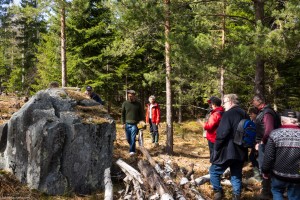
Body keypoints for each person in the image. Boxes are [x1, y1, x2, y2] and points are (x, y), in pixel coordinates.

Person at [210, 94, 249, 200]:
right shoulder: (244, 113)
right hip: (241, 150)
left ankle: (218, 192)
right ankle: (236, 196)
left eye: (225, 102)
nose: (223, 105)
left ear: (231, 102)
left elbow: (222, 133)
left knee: (214, 171)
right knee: (236, 173)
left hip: (227, 150)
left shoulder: (228, 114)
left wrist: (216, 148)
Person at [262, 109, 300, 200]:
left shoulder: (275, 134)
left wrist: (265, 171)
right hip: (297, 175)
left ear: (282, 121)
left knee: (277, 191)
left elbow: (269, 156)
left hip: (278, 174)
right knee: (294, 196)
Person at [252, 94, 281, 199]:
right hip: (267, 144)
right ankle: (268, 190)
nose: (253, 103)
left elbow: (269, 130)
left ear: (258, 101)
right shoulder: (264, 112)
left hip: (267, 145)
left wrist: (261, 142)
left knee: (265, 167)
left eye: (253, 101)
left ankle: (267, 192)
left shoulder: (267, 112)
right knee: (265, 167)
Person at [198, 96, 224, 162]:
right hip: (218, 137)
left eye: (211, 104)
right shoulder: (222, 112)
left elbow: (208, 127)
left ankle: (214, 170)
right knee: (218, 155)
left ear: (214, 104)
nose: (210, 105)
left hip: (213, 138)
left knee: (214, 156)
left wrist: (200, 122)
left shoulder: (215, 114)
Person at [121, 90, 144, 156]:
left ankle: (132, 151)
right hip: (127, 124)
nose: (130, 97)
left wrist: (142, 121)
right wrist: (123, 123)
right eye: (129, 96)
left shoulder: (138, 104)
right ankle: (133, 146)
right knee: (128, 138)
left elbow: (141, 114)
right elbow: (122, 114)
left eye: (131, 96)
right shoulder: (125, 103)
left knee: (133, 137)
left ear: (134, 96)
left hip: (135, 124)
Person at [248, 107, 261, 182]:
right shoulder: (254, 121)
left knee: (253, 158)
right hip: (255, 143)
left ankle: (258, 177)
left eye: (251, 114)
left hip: (257, 143)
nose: (251, 116)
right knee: (253, 157)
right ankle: (258, 176)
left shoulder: (257, 122)